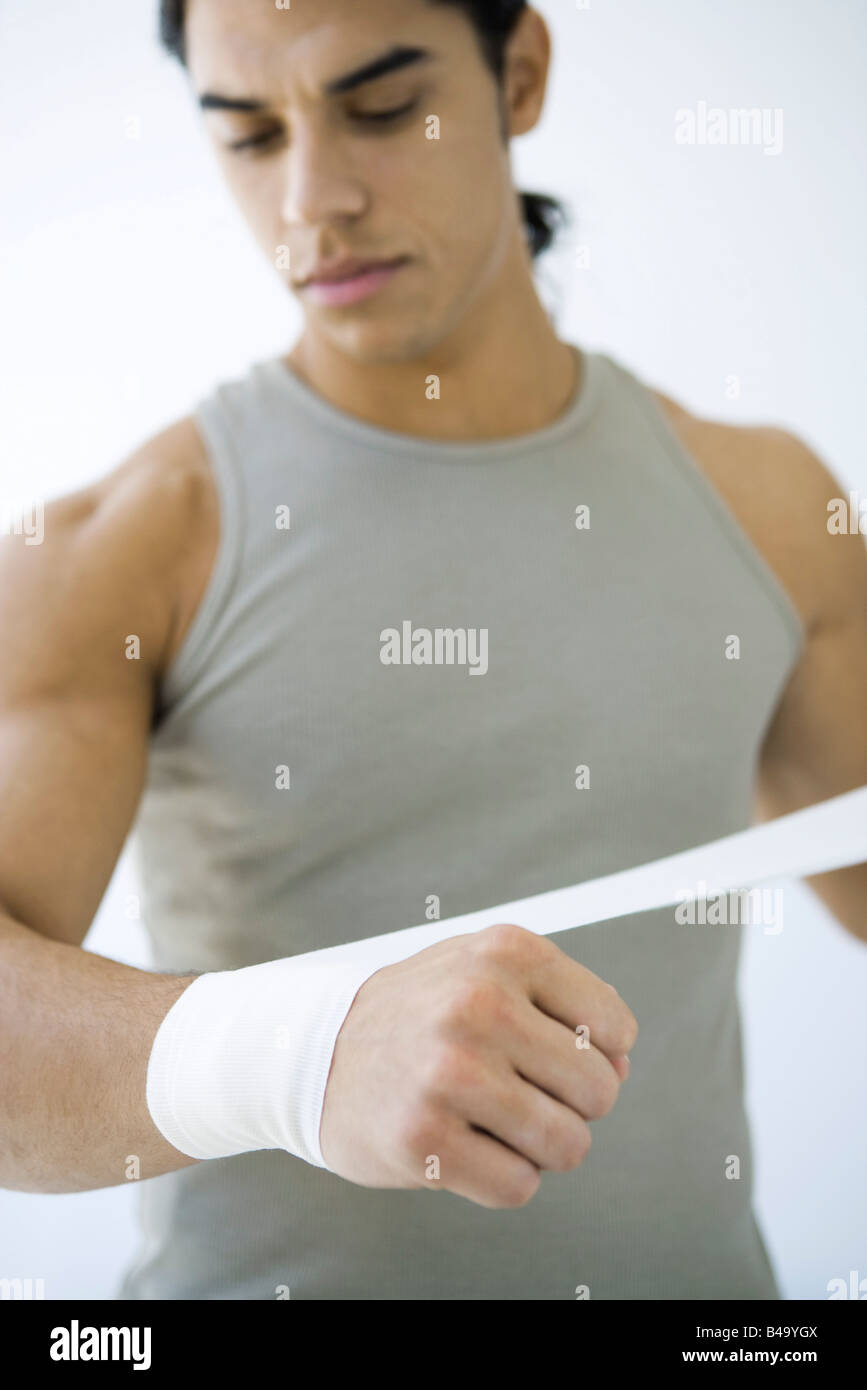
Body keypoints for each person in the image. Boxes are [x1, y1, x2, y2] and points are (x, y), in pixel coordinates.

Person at [0, 0, 864, 1301]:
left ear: (520, 75)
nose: (312, 200)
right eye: (249, 134)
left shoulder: (775, 506)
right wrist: (304, 1053)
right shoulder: (123, 545)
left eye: (384, 107)